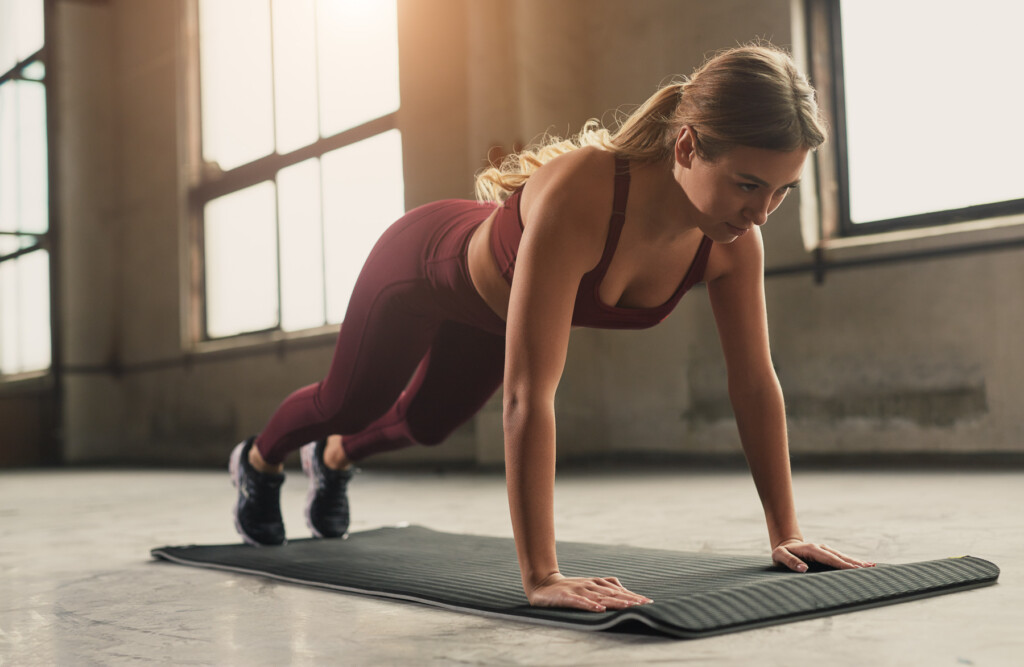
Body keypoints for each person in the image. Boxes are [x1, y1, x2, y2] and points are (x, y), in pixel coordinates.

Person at [228, 43, 875, 613]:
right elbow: (528, 394)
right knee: (350, 401)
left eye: (782, 190)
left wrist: (784, 530)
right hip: (420, 267)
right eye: (746, 184)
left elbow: (755, 385)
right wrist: (542, 574)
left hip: (495, 314)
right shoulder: (584, 193)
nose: (760, 212)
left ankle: (334, 456)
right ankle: (260, 461)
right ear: (686, 146)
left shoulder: (735, 243)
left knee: (427, 423)